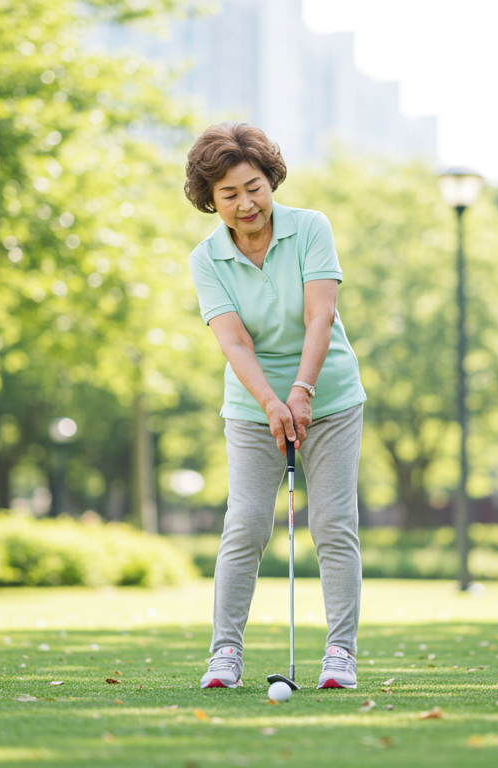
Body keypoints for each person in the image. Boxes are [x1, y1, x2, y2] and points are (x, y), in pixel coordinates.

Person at [183, 122, 367, 690]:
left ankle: (340, 654)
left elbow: (320, 315)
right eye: (229, 194)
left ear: (272, 181)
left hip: (330, 396)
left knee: (334, 525)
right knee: (245, 526)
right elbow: (234, 340)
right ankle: (224, 656)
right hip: (250, 406)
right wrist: (270, 401)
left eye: (254, 187)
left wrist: (301, 393)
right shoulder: (207, 258)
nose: (246, 204)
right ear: (209, 200)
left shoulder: (311, 228)